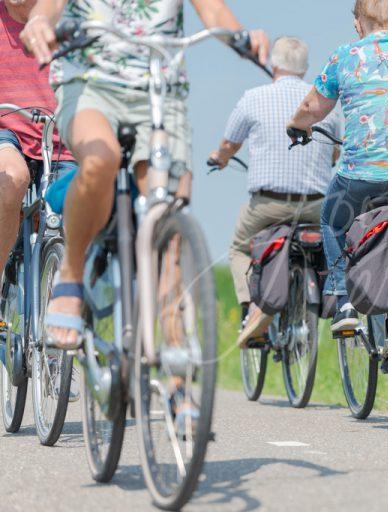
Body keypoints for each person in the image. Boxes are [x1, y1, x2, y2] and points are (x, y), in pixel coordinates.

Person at [21, 0, 270, 351]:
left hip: (159, 91)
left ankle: (175, 361)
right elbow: (49, 7)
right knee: (100, 160)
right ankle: (71, 277)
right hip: (90, 83)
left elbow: (212, 10)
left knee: (168, 215)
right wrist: (38, 22)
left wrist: (242, 36)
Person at [287, 0, 388, 373]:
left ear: (357, 24)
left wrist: (297, 125)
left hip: (366, 178)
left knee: (332, 219)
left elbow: (313, 108)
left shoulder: (346, 55)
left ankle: (344, 300)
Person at [209, 36, 342, 349]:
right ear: (305, 68)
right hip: (315, 206)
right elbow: (334, 154)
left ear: (274, 65)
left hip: (268, 205)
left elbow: (229, 144)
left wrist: (220, 159)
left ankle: (250, 310)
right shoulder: (325, 103)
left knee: (240, 248)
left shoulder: (253, 98)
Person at [0, 0, 79, 399]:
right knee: (10, 179)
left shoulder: (64, 14)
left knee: (78, 210)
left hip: (59, 137)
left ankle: (57, 330)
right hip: (6, 130)